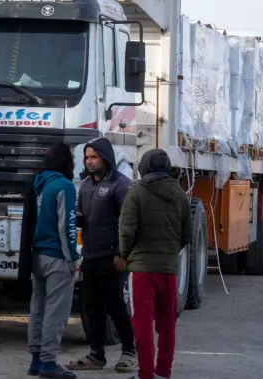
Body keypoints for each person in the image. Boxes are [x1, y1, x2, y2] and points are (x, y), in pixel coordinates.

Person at [116, 149, 192, 379]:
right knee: (167, 325)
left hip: (142, 271)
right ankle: (163, 373)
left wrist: (124, 255)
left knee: (142, 325)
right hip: (169, 270)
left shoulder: (137, 192)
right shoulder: (180, 194)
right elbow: (187, 234)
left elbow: (126, 231)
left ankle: (146, 374)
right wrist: (169, 252)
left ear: (144, 168)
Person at [68, 138, 136, 373]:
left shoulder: (121, 185)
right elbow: (85, 217)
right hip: (90, 256)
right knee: (91, 308)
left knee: (115, 306)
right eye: (87, 157)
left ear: (105, 158)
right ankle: (96, 354)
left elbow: (128, 223)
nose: (89, 161)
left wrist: (121, 254)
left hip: (112, 258)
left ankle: (129, 352)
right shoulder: (85, 185)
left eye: (94, 157)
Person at [20, 143, 82, 379]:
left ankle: (36, 360)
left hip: (37, 256)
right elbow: (66, 226)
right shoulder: (64, 186)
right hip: (58, 257)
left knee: (37, 309)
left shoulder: (39, 183)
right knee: (56, 311)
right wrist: (72, 258)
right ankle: (49, 362)